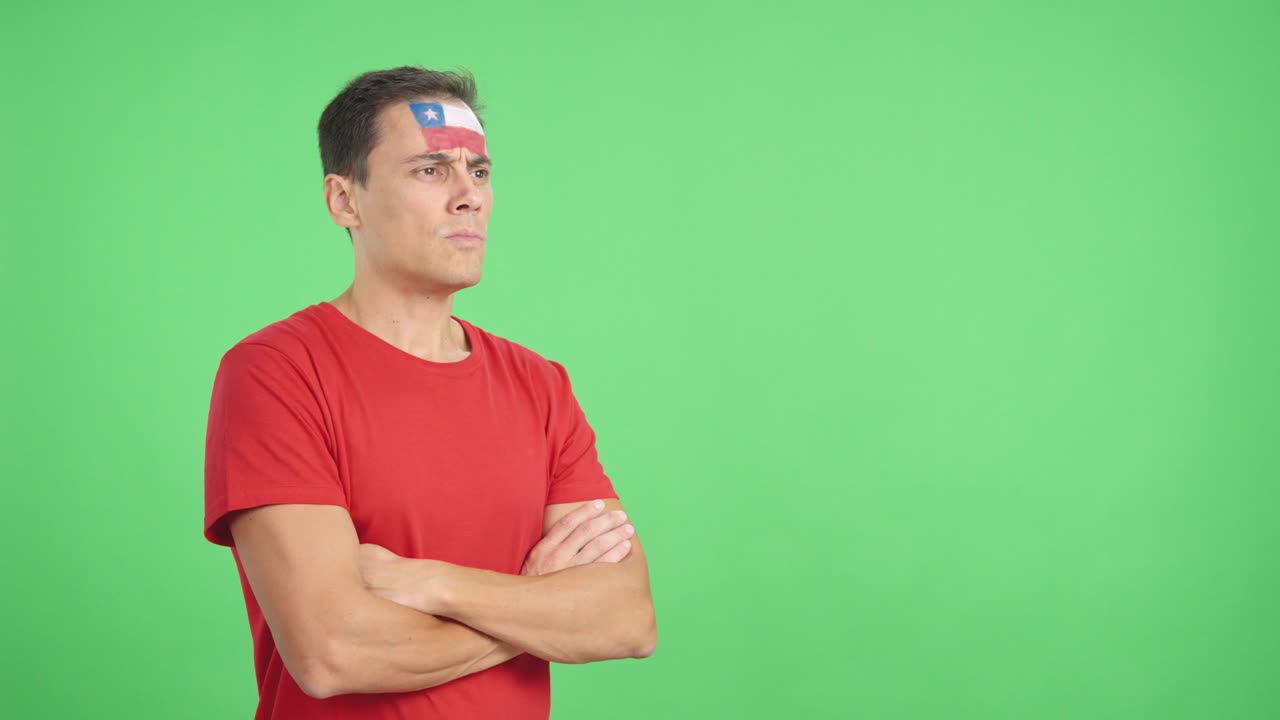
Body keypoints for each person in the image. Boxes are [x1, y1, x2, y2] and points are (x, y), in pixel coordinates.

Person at [202, 65, 656, 720]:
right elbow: (333, 653)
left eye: (480, 172)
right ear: (344, 201)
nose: (469, 197)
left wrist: (436, 585)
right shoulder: (276, 372)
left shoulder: (540, 384)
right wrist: (534, 605)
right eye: (430, 170)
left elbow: (626, 618)